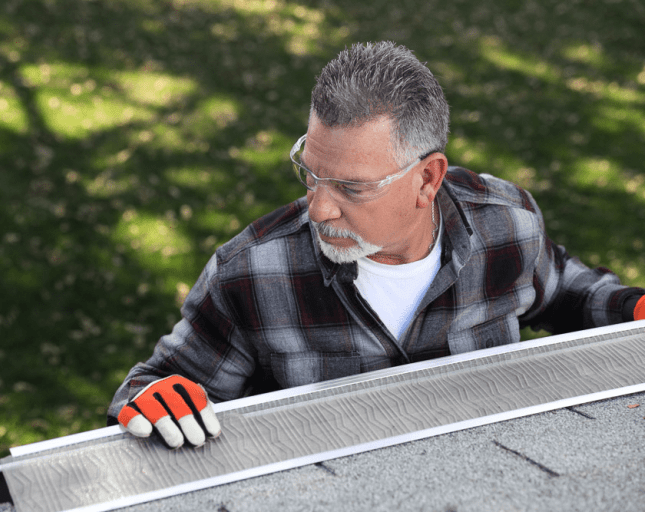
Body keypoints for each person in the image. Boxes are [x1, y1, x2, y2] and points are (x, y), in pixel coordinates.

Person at [108, 41, 645, 448]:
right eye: (312, 173)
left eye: (352, 187)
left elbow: (567, 293)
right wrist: (147, 402)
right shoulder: (250, 272)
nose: (320, 207)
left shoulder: (506, 227)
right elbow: (157, 388)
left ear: (428, 179)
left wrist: (632, 307)